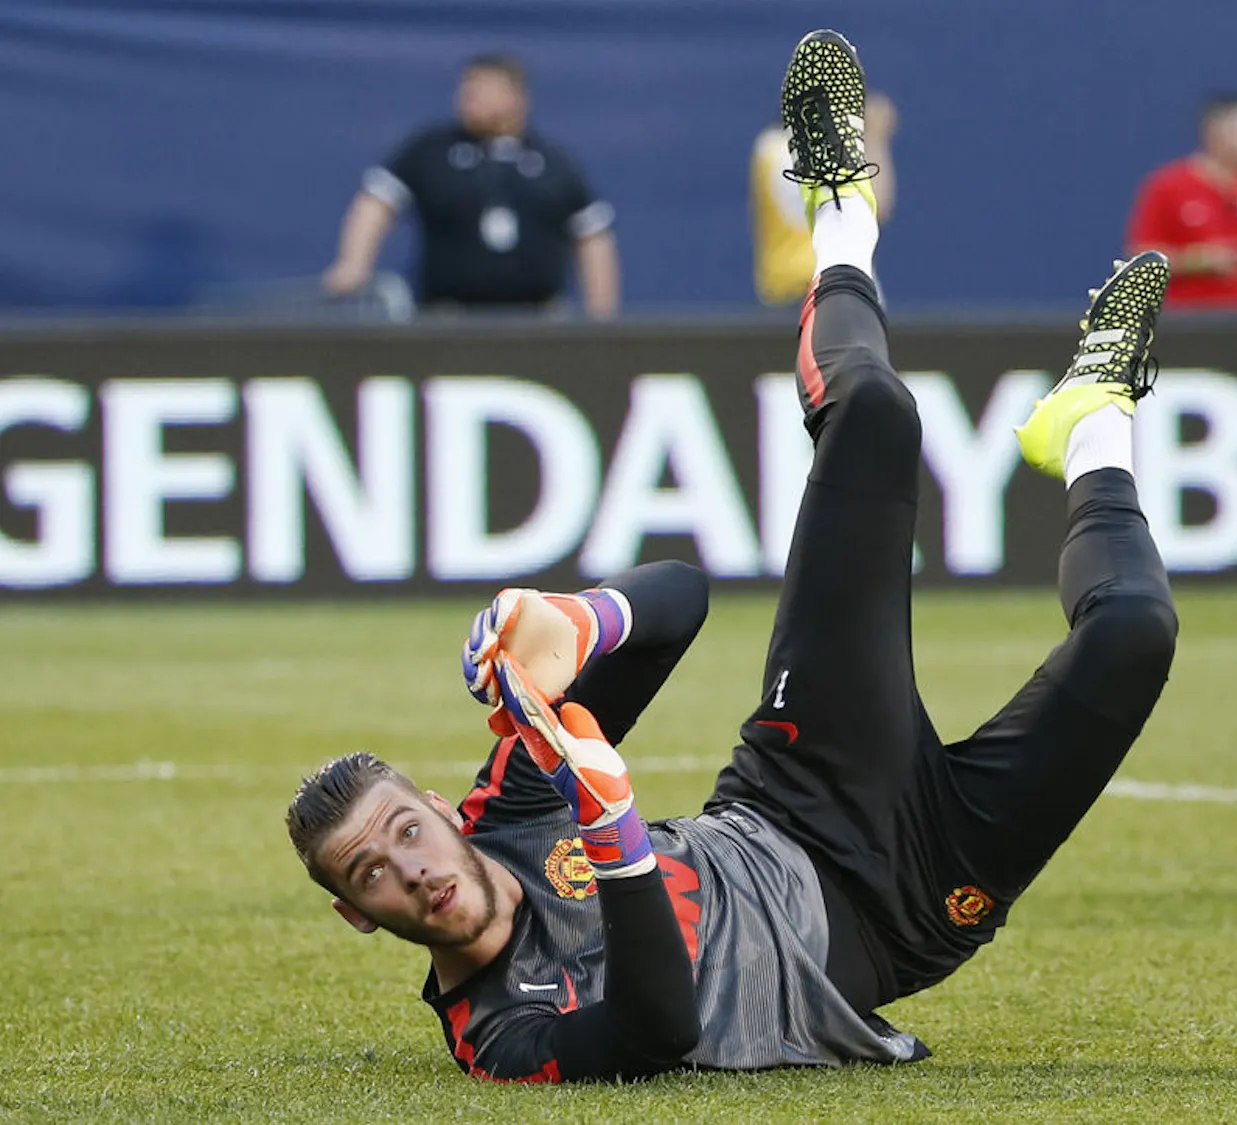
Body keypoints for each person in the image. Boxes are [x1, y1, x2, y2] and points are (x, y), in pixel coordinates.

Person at [286, 30, 1178, 1084]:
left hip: (802, 792)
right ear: (356, 916)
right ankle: (1094, 424)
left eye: (403, 830)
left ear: (439, 808)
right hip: (912, 915)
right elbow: (652, 1034)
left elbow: (682, 598)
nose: (412, 870)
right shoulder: (495, 1035)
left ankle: (839, 205)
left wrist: (582, 625)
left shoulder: (511, 807)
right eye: (373, 873)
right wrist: (614, 828)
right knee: (1133, 631)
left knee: (879, 415)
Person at [323, 53, 620, 317]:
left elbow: (592, 235)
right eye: (466, 89)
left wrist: (601, 315)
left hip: (536, 318)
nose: (469, 97)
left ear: (516, 96)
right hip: (450, 317)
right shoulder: (432, 151)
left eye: (482, 89)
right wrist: (352, 265)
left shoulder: (553, 163)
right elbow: (376, 202)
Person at [1126, 94, 1237, 308]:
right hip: (1191, 323)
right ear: (1215, 133)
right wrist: (1200, 260)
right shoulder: (1169, 185)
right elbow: (1140, 258)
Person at [750, 92, 897, 305]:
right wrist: (874, 136)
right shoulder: (792, 151)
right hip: (817, 293)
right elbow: (876, 206)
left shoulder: (771, 146)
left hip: (818, 294)